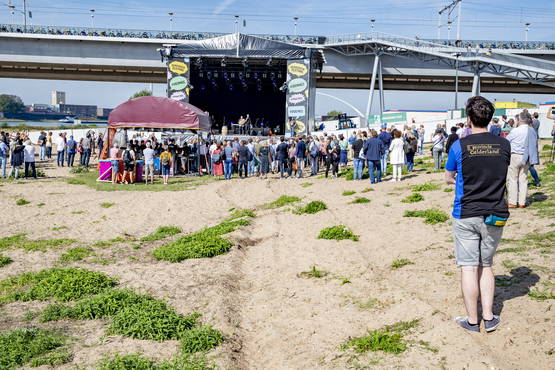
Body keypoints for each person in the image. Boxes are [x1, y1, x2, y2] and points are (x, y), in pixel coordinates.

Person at [445, 96, 510, 333]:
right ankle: (490, 317)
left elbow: (449, 176)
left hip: (466, 212)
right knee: (487, 265)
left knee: (469, 267)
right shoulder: (504, 144)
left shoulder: (458, 145)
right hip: (495, 212)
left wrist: (458, 181)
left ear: (469, 119)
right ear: (490, 118)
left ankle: (473, 320)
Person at [506, 110, 538, 208]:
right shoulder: (532, 130)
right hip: (527, 156)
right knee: (523, 179)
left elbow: (507, 141)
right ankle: (522, 202)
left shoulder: (515, 130)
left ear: (519, 120)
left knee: (512, 179)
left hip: (515, 156)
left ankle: (512, 202)